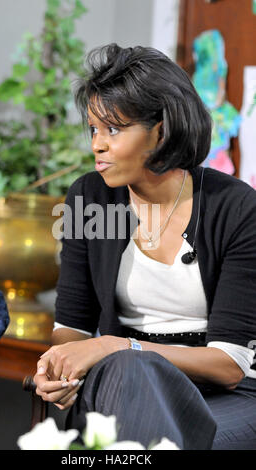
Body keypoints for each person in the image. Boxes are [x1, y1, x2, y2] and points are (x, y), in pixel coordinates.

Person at [34, 44, 256, 450]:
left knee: (153, 436)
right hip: (122, 384)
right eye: (93, 130)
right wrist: (62, 368)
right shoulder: (90, 198)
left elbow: (229, 367)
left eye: (113, 130)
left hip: (228, 397)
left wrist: (118, 346)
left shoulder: (238, 208)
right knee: (131, 381)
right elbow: (72, 327)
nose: (97, 145)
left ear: (162, 129)